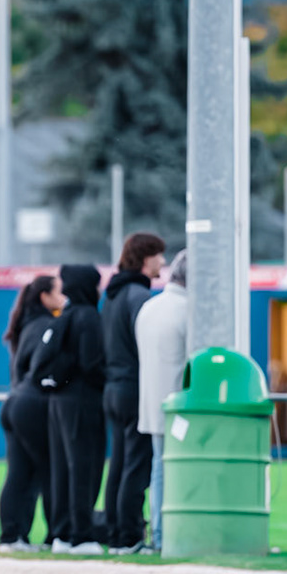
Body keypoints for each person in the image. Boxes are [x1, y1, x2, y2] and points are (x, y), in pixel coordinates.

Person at [32, 264, 107, 555]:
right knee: (84, 468)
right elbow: (90, 364)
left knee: (63, 468)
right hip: (82, 401)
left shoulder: (65, 315)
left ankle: (62, 533)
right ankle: (82, 536)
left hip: (60, 400)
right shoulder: (88, 317)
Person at [100, 231, 165, 552]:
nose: (163, 263)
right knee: (136, 466)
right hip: (133, 388)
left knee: (120, 465)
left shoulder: (112, 295)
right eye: (158, 255)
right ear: (144, 258)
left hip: (113, 387)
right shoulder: (138, 296)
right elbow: (149, 347)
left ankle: (115, 534)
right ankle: (129, 536)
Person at [0, 274, 61, 552]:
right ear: (44, 297)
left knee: (20, 473)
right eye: (59, 292)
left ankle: (12, 537)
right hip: (31, 404)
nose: (64, 298)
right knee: (49, 471)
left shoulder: (24, 326)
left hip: (14, 402)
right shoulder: (46, 326)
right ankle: (54, 536)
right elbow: (42, 371)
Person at [132, 249, 190, 552]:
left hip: (153, 405)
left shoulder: (150, 308)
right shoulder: (188, 311)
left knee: (159, 469)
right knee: (184, 470)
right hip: (184, 409)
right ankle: (177, 534)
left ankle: (158, 534)